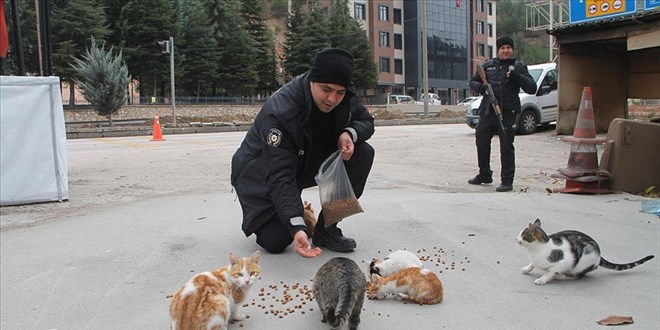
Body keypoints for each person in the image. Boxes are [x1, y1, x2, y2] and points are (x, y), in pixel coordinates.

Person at [230, 48, 375, 258]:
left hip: (303, 160)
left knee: (363, 152)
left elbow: (366, 121)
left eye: (340, 92)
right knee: (276, 240)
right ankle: (297, 217)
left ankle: (326, 229)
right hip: (260, 173)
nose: (332, 99)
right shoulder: (281, 112)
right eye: (326, 89)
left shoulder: (345, 97)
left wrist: (349, 133)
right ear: (312, 81)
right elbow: (280, 175)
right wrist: (297, 225)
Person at [468, 36, 537, 192]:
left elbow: (532, 88)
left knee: (506, 146)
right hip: (488, 111)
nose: (505, 51)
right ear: (498, 50)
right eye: (502, 48)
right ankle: (484, 174)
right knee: (482, 142)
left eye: (508, 48)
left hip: (507, 112)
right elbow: (473, 82)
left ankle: (507, 180)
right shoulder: (488, 66)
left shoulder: (518, 67)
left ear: (512, 50)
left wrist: (517, 77)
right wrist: (483, 88)